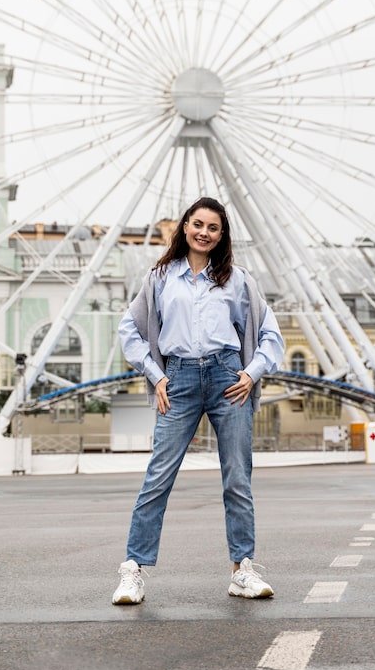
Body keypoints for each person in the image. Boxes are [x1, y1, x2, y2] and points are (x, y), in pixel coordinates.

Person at [112, 197, 284, 605]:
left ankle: (242, 569)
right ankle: (133, 570)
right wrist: (155, 375)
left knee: (237, 478)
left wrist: (250, 373)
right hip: (179, 378)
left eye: (213, 227)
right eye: (198, 224)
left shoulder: (238, 280)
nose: (204, 232)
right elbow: (129, 329)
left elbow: (270, 334)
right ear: (185, 227)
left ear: (222, 236)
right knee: (158, 476)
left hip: (228, 377)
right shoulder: (159, 278)